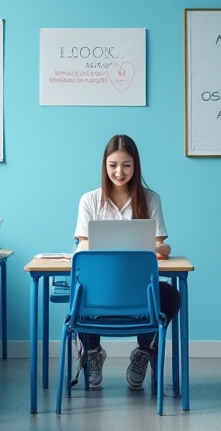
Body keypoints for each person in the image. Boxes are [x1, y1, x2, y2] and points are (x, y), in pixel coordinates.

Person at [73, 134, 181, 391]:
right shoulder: (89, 200)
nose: (119, 172)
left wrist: (159, 248)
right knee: (80, 292)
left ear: (136, 166)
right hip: (101, 289)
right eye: (113, 165)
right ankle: (92, 352)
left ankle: (144, 351)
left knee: (171, 296)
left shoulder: (150, 199)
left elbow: (162, 244)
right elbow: (83, 244)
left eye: (126, 165)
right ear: (104, 165)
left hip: (138, 290)